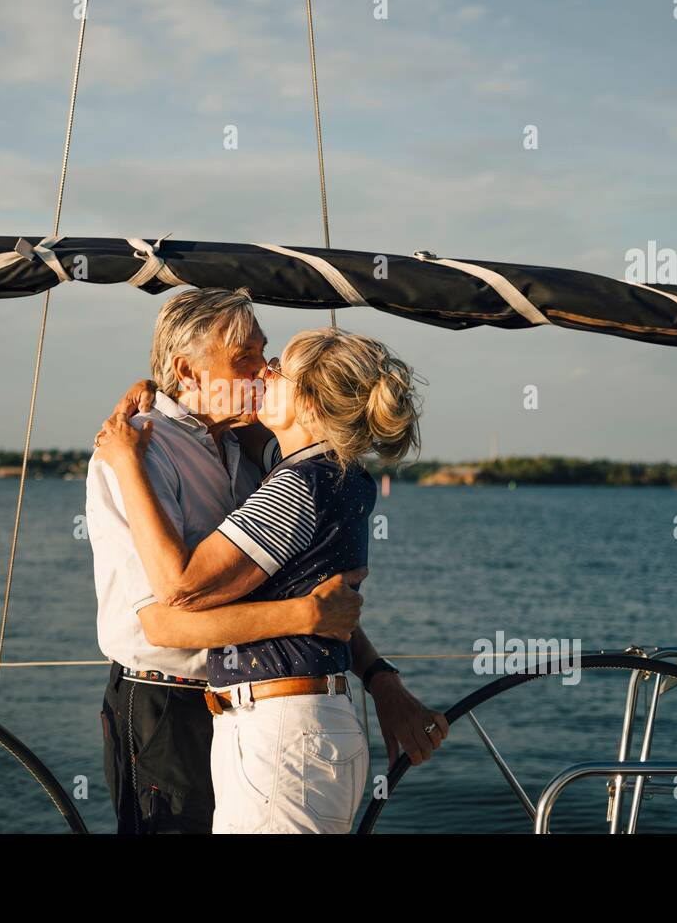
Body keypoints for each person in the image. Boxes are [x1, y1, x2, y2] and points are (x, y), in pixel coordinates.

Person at [95, 326, 447, 832]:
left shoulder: (294, 489)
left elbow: (179, 585)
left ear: (307, 402)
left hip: (284, 739)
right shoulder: (340, 476)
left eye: (276, 366)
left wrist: (127, 461)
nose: (263, 371)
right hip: (311, 728)